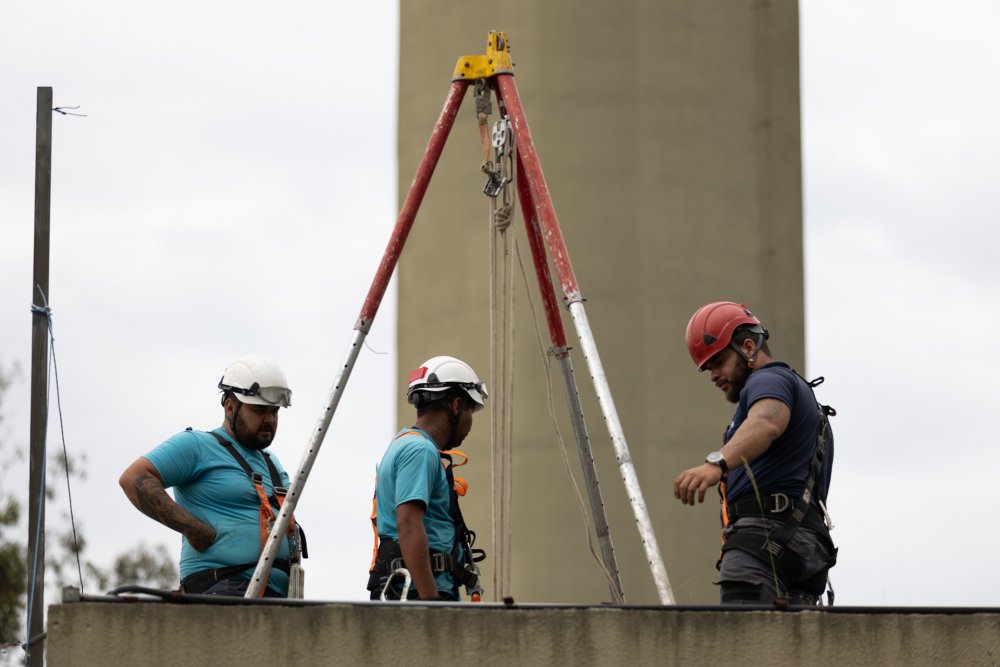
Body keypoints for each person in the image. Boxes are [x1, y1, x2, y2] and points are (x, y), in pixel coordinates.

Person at [673, 302, 837, 605]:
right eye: (708, 367)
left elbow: (766, 422)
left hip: (763, 541)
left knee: (742, 645)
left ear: (748, 346)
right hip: (805, 550)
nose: (714, 374)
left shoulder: (768, 380)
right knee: (788, 650)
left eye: (719, 360)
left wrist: (716, 464)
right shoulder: (801, 397)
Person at [119, 353, 303, 597]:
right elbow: (134, 479)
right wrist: (195, 529)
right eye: (260, 410)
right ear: (230, 407)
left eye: (274, 412)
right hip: (224, 587)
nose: (269, 419)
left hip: (277, 597)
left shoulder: (272, 464)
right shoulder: (198, 446)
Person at [367, 355, 488, 601]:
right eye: (470, 410)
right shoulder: (419, 451)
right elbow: (409, 524)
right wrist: (430, 604)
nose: (469, 423)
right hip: (415, 594)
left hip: (409, 589)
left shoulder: (406, 445)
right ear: (455, 406)